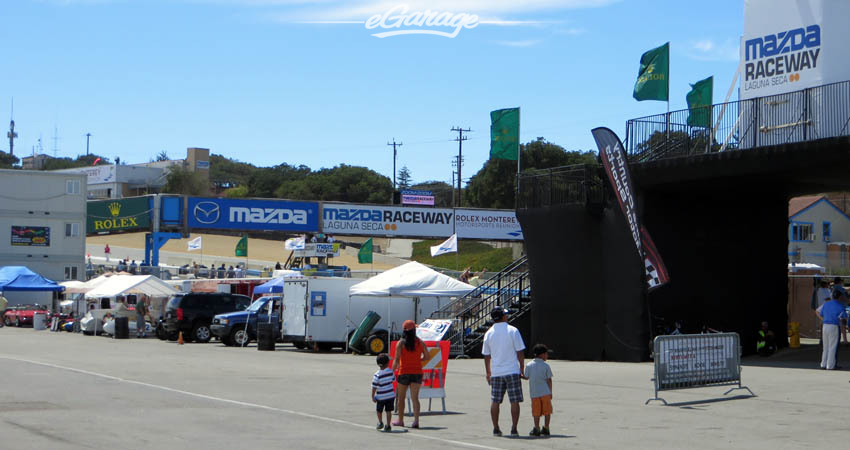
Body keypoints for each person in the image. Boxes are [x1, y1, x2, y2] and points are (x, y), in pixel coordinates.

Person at [482, 307, 526, 436]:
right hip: (512, 370)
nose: (507, 316)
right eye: (505, 315)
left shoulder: (489, 333)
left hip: (496, 371)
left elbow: (486, 355)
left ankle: (496, 428)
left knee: (495, 401)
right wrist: (521, 368)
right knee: (514, 401)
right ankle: (514, 428)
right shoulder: (513, 330)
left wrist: (488, 372)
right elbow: (520, 352)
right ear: (502, 317)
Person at [392, 320, 428, 429]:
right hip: (417, 372)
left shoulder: (401, 343)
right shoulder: (420, 342)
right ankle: (416, 421)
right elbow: (427, 357)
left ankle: (400, 420)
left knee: (401, 398)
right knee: (415, 398)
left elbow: (397, 359)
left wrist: (391, 371)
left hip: (404, 372)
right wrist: (418, 361)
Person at [525, 344, 553, 437]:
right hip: (545, 392)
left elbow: (526, 376)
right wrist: (550, 392)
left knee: (536, 411)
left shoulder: (529, 365)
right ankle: (546, 427)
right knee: (547, 411)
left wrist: (520, 375)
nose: (547, 356)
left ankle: (536, 428)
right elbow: (549, 379)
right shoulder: (546, 366)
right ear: (541, 355)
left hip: (534, 393)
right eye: (546, 354)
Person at [817, 289, 848, 370]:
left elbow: (820, 313)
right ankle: (830, 365)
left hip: (825, 325)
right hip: (833, 326)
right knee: (832, 347)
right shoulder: (840, 306)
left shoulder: (826, 304)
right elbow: (844, 318)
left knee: (825, 346)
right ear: (840, 297)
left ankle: (823, 364)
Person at [371, 353, 395, 432]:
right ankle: (388, 425)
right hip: (390, 395)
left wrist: (373, 396)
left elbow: (374, 386)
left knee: (379, 410)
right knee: (388, 411)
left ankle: (380, 422)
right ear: (388, 363)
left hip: (381, 396)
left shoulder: (377, 375)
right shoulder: (391, 372)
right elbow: (393, 380)